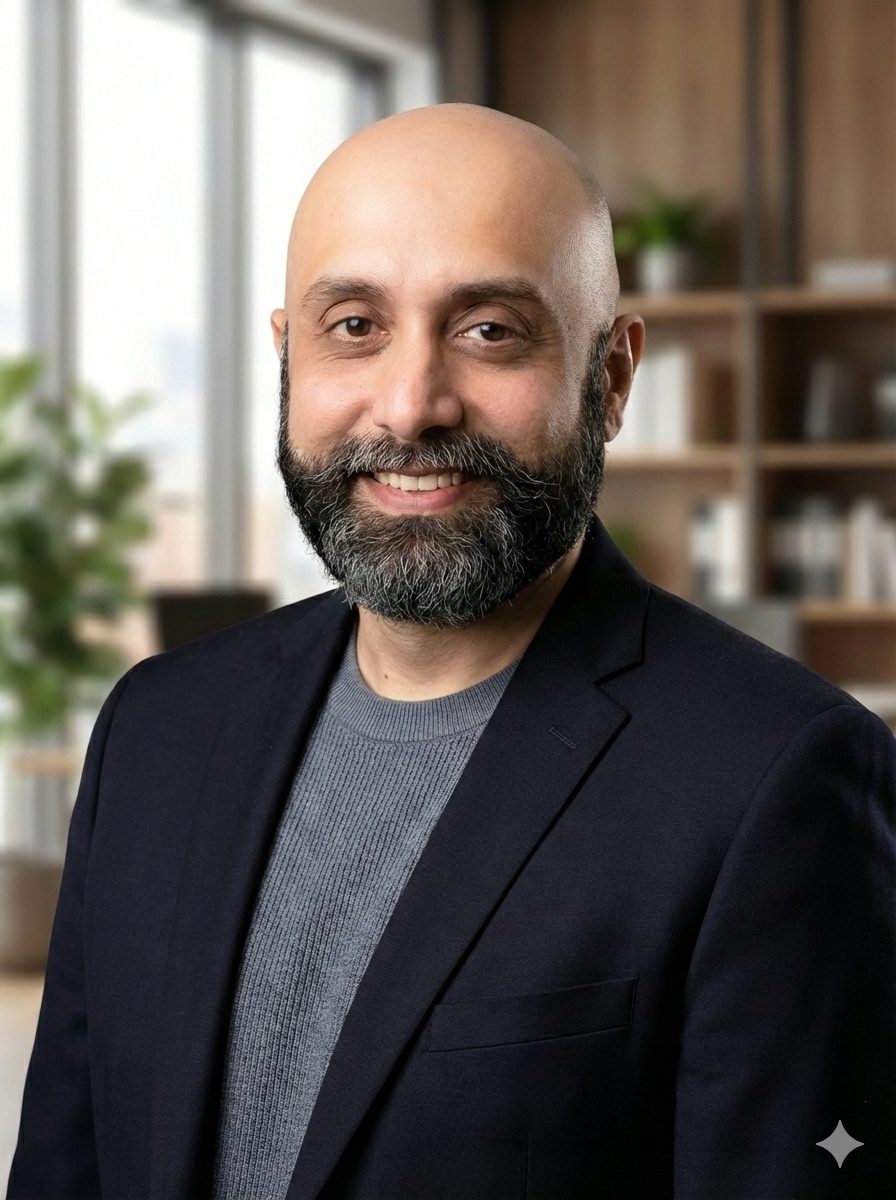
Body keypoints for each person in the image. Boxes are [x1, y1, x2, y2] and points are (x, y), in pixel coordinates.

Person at [8, 105, 894, 1200]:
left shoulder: (776, 777)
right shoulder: (156, 727)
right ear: (288, 356)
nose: (411, 405)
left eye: (487, 330)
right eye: (354, 326)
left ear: (610, 379)